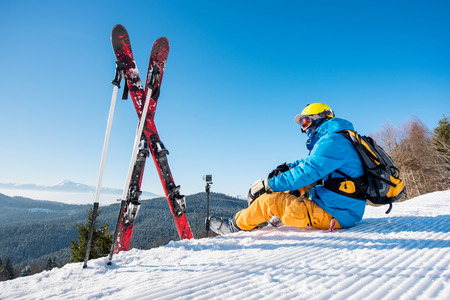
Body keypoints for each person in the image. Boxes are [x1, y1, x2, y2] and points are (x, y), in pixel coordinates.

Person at [208, 103, 367, 235]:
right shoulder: (337, 138)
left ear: (320, 118)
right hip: (342, 206)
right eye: (301, 124)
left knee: (269, 201)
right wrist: (289, 167)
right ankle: (274, 216)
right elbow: (308, 164)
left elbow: (307, 172)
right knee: (295, 182)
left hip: (338, 214)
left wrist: (268, 185)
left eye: (305, 122)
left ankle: (234, 226)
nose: (303, 129)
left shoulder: (332, 141)